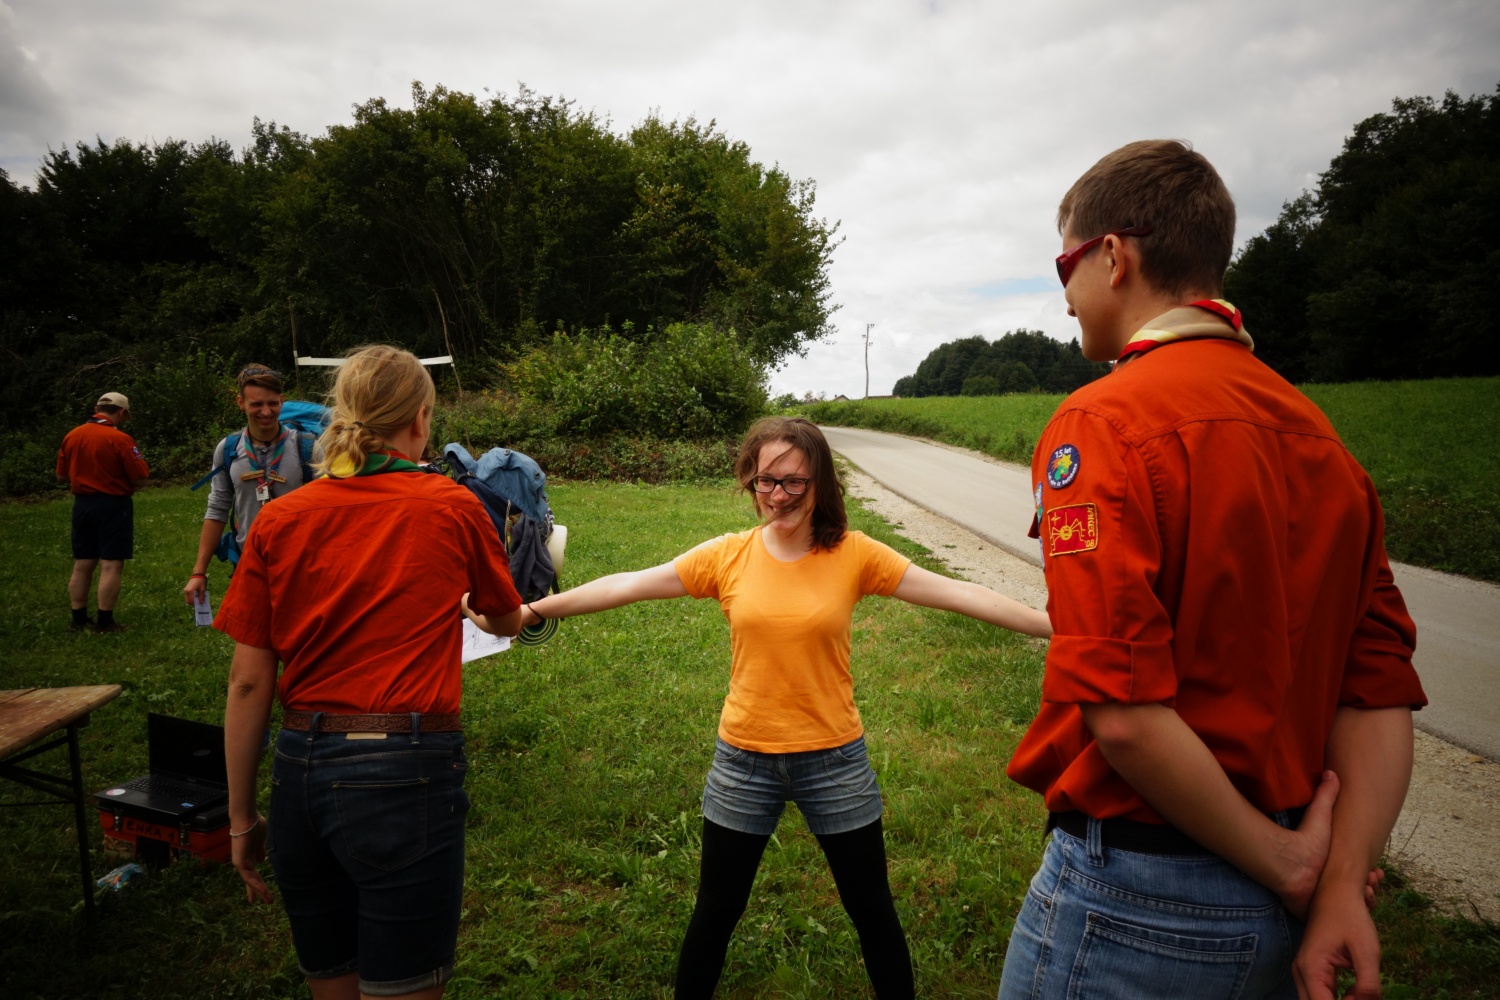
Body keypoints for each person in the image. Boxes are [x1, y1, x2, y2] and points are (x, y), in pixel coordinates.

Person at [996, 140, 1427, 1000]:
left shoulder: (1103, 420)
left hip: (1141, 900)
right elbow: (1376, 687)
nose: (1065, 293)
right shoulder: (1320, 436)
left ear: (1114, 256)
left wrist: (1293, 863)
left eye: (1065, 264)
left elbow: (1120, 712)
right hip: (1281, 908)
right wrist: (1340, 884)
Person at [484, 416, 1052, 999]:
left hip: (835, 761)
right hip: (744, 762)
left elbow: (957, 591)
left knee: (872, 910)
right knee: (715, 914)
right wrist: (532, 610)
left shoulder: (854, 555)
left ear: (821, 483)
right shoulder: (728, 556)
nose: (777, 496)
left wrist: (1051, 622)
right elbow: (627, 584)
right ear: (750, 482)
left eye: (793, 483)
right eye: (764, 482)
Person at [216, 345, 523, 1000]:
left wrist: (241, 819)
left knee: (332, 982)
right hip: (405, 771)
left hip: (298, 769)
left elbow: (247, 683)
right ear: (419, 420)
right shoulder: (452, 506)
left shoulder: (278, 519)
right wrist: (481, 609)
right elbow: (505, 619)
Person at [182, 365, 321, 607]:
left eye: (273, 403)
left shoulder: (307, 447)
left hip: (300, 565)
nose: (266, 412)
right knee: (252, 640)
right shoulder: (228, 449)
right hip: (248, 563)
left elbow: (328, 510)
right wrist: (198, 572)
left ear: (281, 400)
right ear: (241, 403)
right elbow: (217, 509)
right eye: (256, 404)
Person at [55, 391, 150, 633]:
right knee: (110, 564)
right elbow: (140, 477)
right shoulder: (119, 439)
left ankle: (78, 619)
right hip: (112, 505)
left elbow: (61, 475)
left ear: (97, 409)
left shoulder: (72, 435)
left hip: (82, 505)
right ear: (121, 412)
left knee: (82, 562)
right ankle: (105, 622)